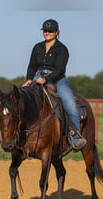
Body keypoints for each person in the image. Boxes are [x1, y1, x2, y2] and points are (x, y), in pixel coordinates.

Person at [22, 19, 87, 151]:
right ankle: (17, 136)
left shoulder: (62, 49)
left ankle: (74, 137)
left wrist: (46, 79)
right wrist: (29, 79)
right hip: (37, 76)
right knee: (20, 99)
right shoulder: (37, 47)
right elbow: (31, 66)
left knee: (70, 104)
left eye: (50, 31)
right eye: (45, 31)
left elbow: (60, 69)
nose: (47, 33)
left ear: (57, 32)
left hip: (57, 79)